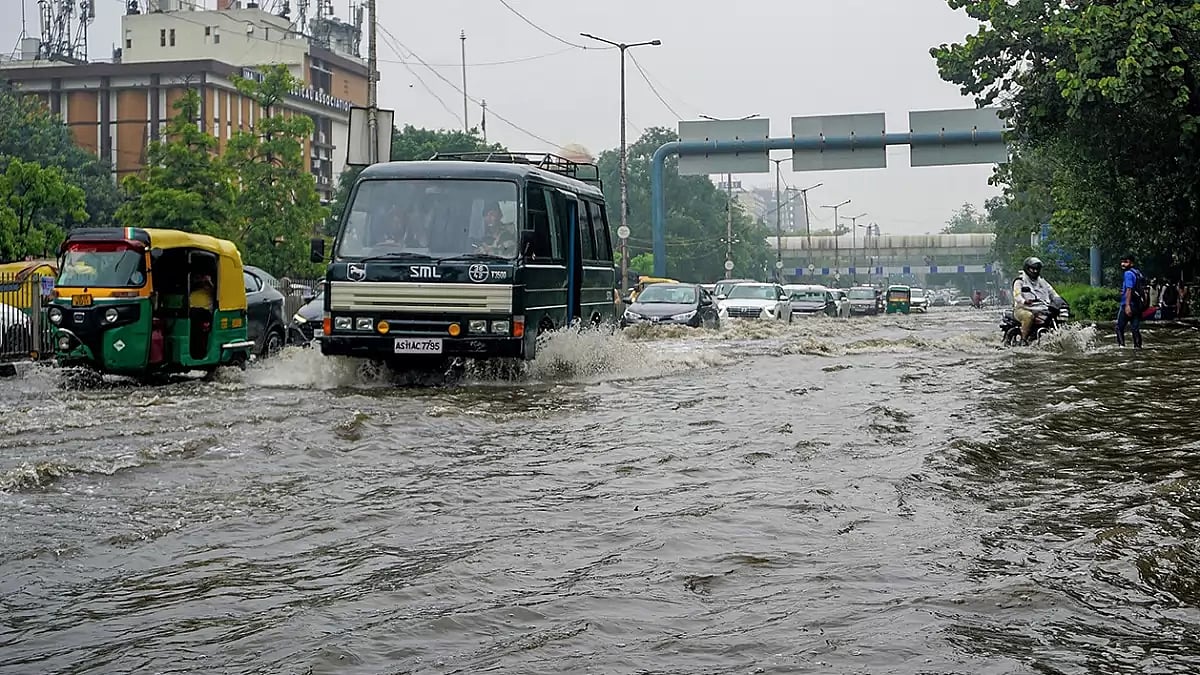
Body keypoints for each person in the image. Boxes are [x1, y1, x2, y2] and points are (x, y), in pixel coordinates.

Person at [1011, 256, 1063, 343]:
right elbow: (1017, 295)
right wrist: (1024, 301)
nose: (1035, 271)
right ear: (1027, 268)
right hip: (1023, 308)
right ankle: (1023, 340)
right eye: (1033, 269)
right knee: (1028, 316)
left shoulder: (1042, 282)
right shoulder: (1019, 281)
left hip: (1041, 308)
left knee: (1055, 315)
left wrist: (1060, 301)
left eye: (1037, 269)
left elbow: (1052, 292)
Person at [1116, 253, 1144, 348]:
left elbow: (1129, 289)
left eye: (1125, 262)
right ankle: (1138, 347)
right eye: (1122, 262)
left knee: (1119, 328)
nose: (1123, 264)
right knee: (1135, 328)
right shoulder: (1137, 273)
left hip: (1128, 304)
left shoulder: (1128, 274)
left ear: (1131, 263)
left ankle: (1121, 347)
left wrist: (1127, 305)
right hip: (1137, 305)